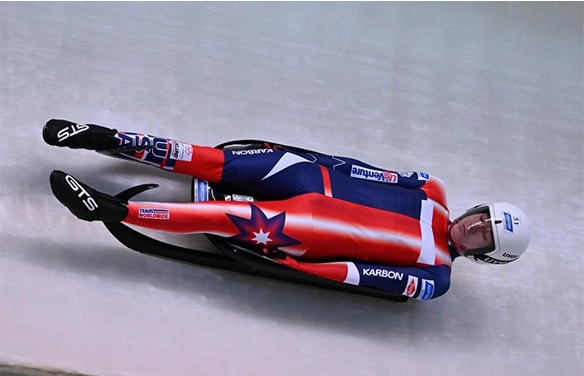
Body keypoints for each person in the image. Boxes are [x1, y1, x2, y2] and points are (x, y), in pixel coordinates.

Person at [43, 119, 531, 300]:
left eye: (485, 235)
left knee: (227, 218)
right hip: (311, 177)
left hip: (316, 228)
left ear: (486, 255)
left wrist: (302, 266)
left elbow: (364, 276)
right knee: (214, 160)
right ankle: (106, 138)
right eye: (484, 216)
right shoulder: (433, 187)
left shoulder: (436, 276)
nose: (476, 226)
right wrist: (310, 159)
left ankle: (112, 211)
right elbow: (364, 170)